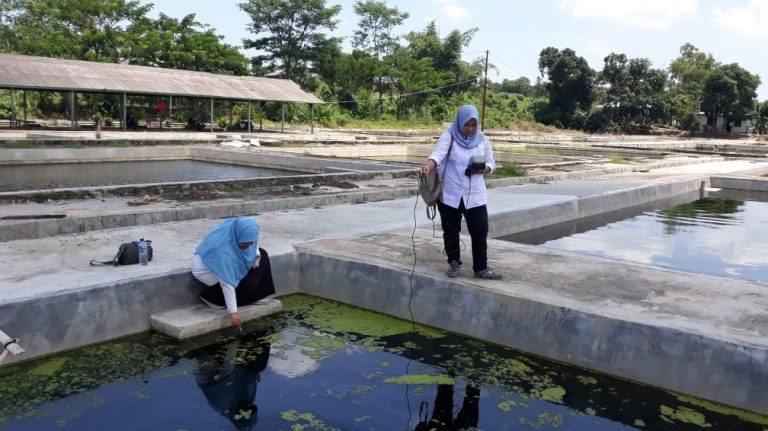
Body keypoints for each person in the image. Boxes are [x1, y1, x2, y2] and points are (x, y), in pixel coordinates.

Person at [419, 105, 503, 280]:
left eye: (473, 125)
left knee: (480, 230)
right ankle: (454, 262)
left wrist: (485, 169)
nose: (470, 129)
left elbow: (491, 162)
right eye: (467, 125)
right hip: (451, 194)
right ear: (459, 123)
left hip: (475, 196)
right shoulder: (449, 137)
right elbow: (438, 155)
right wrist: (428, 166)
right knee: (451, 230)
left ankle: (481, 267)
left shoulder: (482, 140)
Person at [192, 216, 276, 327]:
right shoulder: (222, 252)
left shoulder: (236, 232)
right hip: (216, 283)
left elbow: (254, 246)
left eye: (251, 242)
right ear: (238, 236)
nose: (249, 245)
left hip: (228, 270)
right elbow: (227, 284)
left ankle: (255, 296)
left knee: (263, 254)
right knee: (249, 283)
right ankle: (212, 300)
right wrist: (233, 312)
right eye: (246, 242)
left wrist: (255, 261)